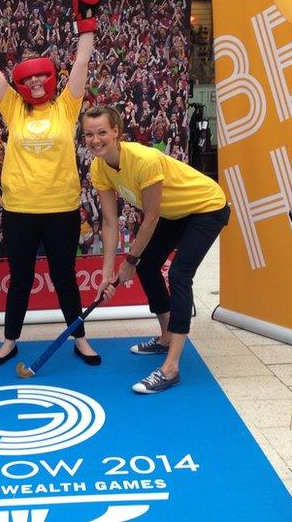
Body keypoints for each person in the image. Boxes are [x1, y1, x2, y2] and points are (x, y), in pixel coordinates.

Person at [0, 0, 106, 368]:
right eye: (29, 78)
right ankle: (9, 341)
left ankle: (80, 339)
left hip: (62, 210)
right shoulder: (13, 109)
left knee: (65, 279)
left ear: (50, 78)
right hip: (20, 210)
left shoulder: (66, 107)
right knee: (19, 279)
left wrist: (86, 23)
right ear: (21, 84)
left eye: (42, 76)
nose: (36, 82)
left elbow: (82, 64)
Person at [84, 105, 230, 394]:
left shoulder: (144, 159)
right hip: (175, 213)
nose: (95, 139)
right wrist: (106, 273)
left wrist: (130, 261)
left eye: (102, 132)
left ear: (116, 132)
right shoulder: (98, 167)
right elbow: (110, 222)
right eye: (89, 134)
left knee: (178, 275)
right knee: (149, 267)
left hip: (207, 207)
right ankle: (165, 337)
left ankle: (171, 367)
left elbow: (150, 216)